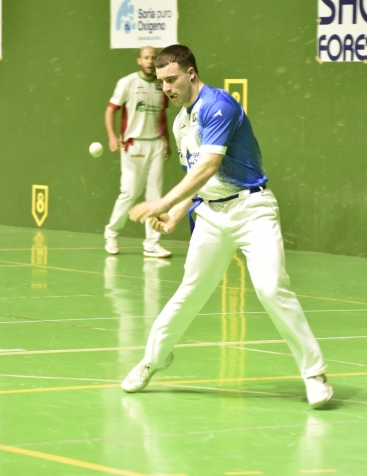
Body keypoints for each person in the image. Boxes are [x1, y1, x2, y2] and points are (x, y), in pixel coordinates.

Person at [121, 45, 333, 407]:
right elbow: (198, 178)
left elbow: (209, 165)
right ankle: (152, 360)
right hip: (211, 214)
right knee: (191, 290)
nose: (167, 88)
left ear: (191, 73)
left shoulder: (219, 106)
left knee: (270, 289)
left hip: (253, 209)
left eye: (172, 79)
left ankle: (314, 373)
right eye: (161, 83)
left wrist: (163, 202)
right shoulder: (180, 122)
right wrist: (174, 214)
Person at [104, 46, 173, 258]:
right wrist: (112, 137)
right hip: (133, 145)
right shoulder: (127, 83)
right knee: (130, 192)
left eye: (153, 58)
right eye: (146, 58)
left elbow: (161, 116)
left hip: (155, 145)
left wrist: (166, 140)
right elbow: (110, 110)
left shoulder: (162, 85)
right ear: (139, 60)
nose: (150, 61)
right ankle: (111, 232)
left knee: (155, 196)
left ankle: (152, 244)